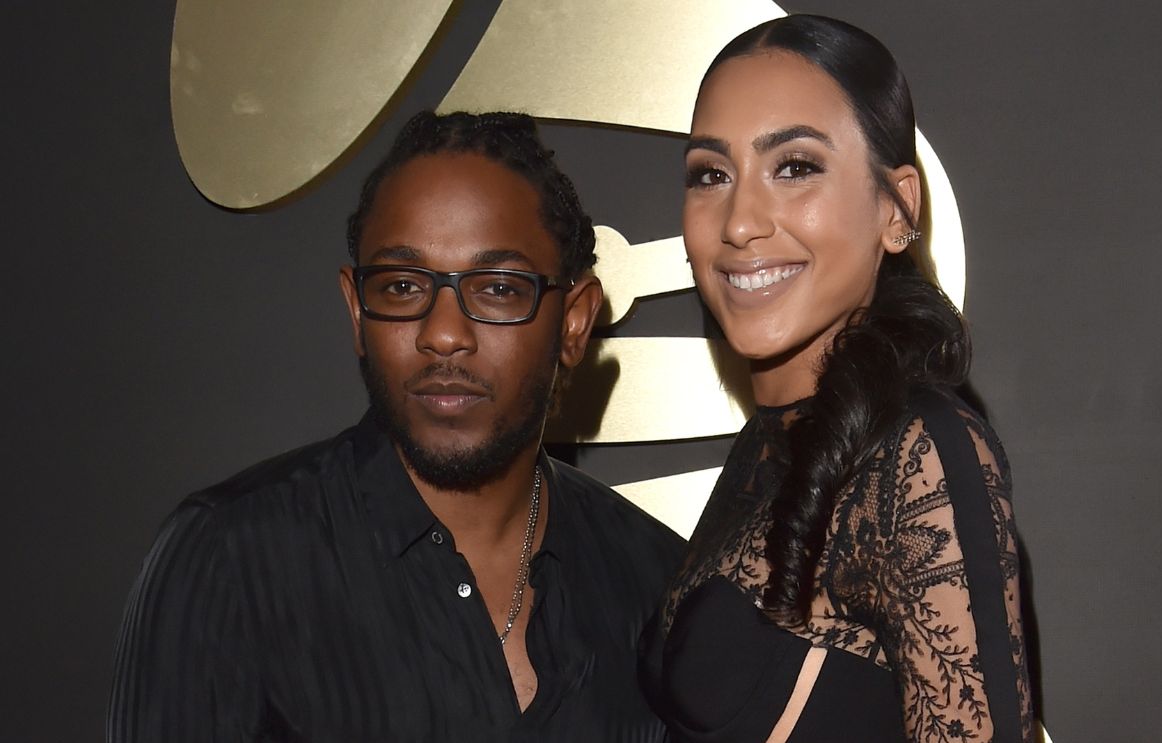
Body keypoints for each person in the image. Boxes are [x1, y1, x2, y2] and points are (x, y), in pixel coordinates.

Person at [108, 111, 685, 742]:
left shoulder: (654, 582)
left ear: (573, 323)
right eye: (403, 286)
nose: (444, 334)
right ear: (358, 312)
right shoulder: (232, 558)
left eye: (497, 288)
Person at [639, 15, 1033, 742]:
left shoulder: (918, 455)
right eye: (711, 174)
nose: (739, 222)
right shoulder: (767, 446)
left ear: (896, 207)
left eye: (794, 167)